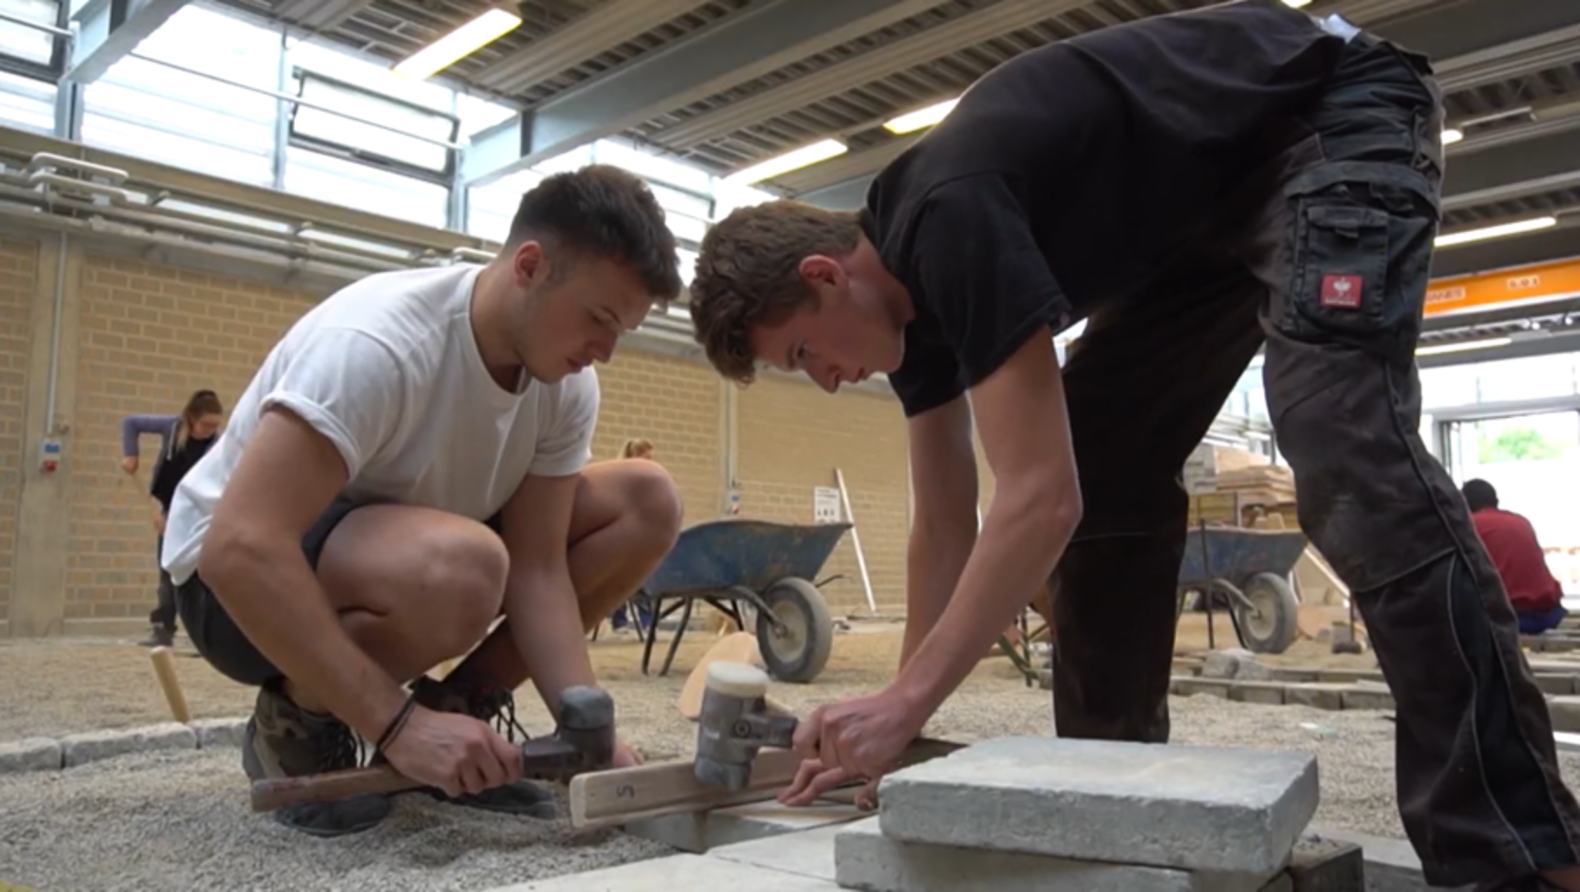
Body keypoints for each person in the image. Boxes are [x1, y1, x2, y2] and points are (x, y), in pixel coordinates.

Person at [684, 1, 1580, 888]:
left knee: (1341, 437)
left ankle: (1515, 848)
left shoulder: (948, 213)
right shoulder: (916, 323)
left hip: (1327, 115)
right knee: (1109, 463)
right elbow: (945, 525)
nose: (828, 379)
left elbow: (1039, 496)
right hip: (1195, 223)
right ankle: (1111, 793)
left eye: (805, 353)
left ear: (824, 274)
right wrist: (900, 718)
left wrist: (906, 700)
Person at [160, 164, 686, 838]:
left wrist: (587, 726)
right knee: (463, 567)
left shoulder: (565, 384)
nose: (607, 351)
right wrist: (397, 724)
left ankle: (461, 719)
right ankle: (296, 723)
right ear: (530, 265)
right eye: (600, 319)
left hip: (399, 554)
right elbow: (240, 547)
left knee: (647, 500)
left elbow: (540, 567)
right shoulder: (378, 344)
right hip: (230, 590)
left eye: (625, 330)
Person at [119, 389, 226, 647]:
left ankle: (208, 635)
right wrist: (131, 454)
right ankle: (162, 628)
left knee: (203, 571)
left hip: (200, 511)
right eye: (206, 425)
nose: (210, 430)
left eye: (215, 425)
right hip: (170, 506)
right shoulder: (171, 428)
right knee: (167, 568)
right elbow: (130, 423)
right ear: (191, 418)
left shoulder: (217, 445)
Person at [1464, 479, 1568, 635]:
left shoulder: (1470, 526)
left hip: (1511, 617)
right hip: (1551, 613)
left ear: (1463, 504)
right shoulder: (1521, 521)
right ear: (1496, 501)